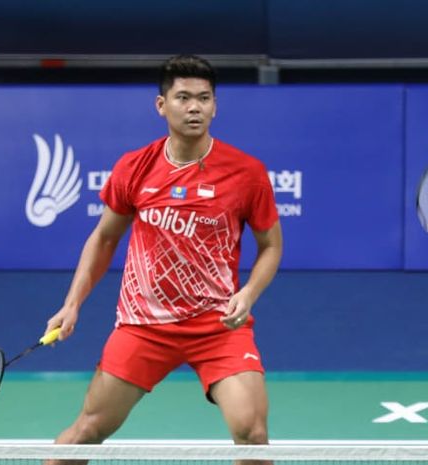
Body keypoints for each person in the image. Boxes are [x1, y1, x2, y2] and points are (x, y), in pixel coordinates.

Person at [43, 55, 283, 465]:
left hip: (217, 323)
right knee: (89, 429)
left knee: (253, 432)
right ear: (161, 105)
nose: (195, 107)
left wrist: (249, 294)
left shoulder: (246, 173)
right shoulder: (134, 168)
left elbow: (271, 246)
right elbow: (104, 239)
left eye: (204, 98)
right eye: (184, 98)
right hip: (144, 325)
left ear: (215, 105)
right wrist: (72, 302)